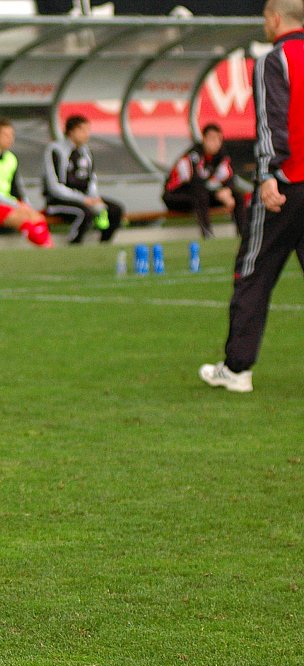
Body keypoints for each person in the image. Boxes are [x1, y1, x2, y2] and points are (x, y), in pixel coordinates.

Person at [199, 0, 304, 393]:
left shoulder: (274, 60)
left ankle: (237, 368)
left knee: (254, 272)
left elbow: (270, 121)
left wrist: (267, 174)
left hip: (286, 184)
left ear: (275, 18)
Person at [0, 118, 53, 248]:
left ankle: (46, 244)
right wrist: (14, 204)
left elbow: (16, 188)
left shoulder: (11, 158)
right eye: (5, 135)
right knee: (22, 218)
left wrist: (25, 204)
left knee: (37, 217)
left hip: (7, 204)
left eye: (12, 135)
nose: (10, 139)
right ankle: (44, 245)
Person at [43, 114, 123, 244]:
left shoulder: (86, 152)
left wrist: (93, 197)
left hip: (86, 199)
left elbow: (92, 179)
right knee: (84, 213)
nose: (87, 134)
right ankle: (74, 245)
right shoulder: (55, 151)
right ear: (71, 131)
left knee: (115, 210)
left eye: (88, 130)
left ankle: (103, 245)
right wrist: (83, 199)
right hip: (58, 201)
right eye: (83, 130)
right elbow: (54, 186)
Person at [163, 123, 248, 240]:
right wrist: (218, 193)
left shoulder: (220, 156)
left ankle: (243, 234)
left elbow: (228, 178)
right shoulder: (192, 156)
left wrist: (227, 190)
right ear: (204, 139)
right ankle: (207, 233)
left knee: (237, 195)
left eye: (219, 139)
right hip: (175, 196)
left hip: (202, 196)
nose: (216, 143)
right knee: (200, 194)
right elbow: (195, 183)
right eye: (212, 139)